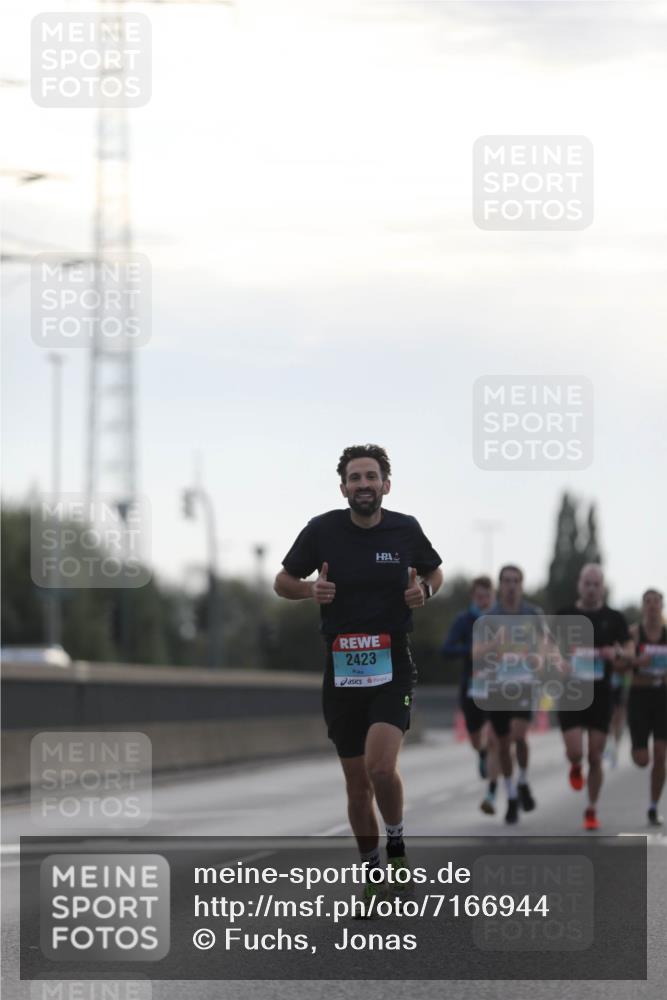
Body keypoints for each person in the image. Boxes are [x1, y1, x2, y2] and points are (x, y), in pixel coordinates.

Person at [274, 444, 443, 902]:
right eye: (355, 478)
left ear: (386, 485)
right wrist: (311, 589)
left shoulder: (404, 530)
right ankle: (371, 871)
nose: (363, 485)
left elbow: (434, 571)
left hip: (391, 666)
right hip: (343, 669)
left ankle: (397, 845)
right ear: (344, 487)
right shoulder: (322, 531)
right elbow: (281, 582)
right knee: (356, 785)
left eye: (371, 477)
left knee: (381, 768)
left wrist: (424, 590)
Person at [558, 564, 633, 830]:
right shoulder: (566, 614)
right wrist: (557, 660)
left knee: (595, 756)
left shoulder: (613, 618)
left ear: (603, 587)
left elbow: (628, 647)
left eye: (596, 584)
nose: (591, 589)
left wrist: (621, 654)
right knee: (576, 752)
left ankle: (591, 809)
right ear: (580, 585)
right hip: (570, 693)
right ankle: (574, 765)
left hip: (601, 694)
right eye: (587, 583)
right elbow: (548, 645)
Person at [477, 565, 541, 824]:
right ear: (500, 586)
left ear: (521, 585)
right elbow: (476, 653)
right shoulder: (490, 617)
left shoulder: (532, 614)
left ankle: (523, 779)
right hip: (498, 687)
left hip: (524, 684)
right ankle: (512, 795)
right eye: (506, 581)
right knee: (503, 745)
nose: (511, 586)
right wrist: (494, 644)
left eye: (516, 580)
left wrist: (539, 656)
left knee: (519, 735)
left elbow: (546, 645)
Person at [441, 576, 500, 814]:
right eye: (479, 596)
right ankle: (482, 752)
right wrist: (472, 651)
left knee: (496, 738)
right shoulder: (464, 621)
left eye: (487, 596)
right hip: (472, 686)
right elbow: (446, 650)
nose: (483, 600)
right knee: (476, 738)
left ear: (493, 597)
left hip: (499, 687)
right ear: (473, 597)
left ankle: (491, 794)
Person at [627, 589, 667, 826]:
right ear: (643, 607)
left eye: (656, 602)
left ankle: (653, 806)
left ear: (662, 607)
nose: (652, 607)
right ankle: (638, 750)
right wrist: (635, 661)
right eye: (648, 602)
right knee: (642, 759)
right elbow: (624, 658)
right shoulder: (634, 633)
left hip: (662, 696)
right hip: (639, 695)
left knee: (661, 755)